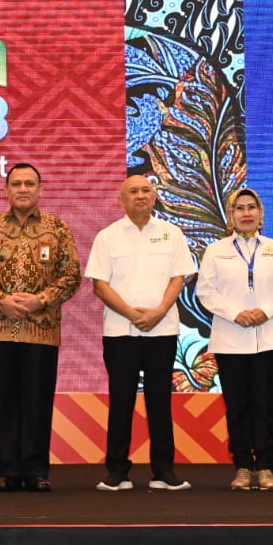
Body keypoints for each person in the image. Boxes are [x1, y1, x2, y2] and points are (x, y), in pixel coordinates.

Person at [0, 163, 81, 493]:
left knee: (37, 400)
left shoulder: (57, 229)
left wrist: (40, 300)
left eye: (29, 183)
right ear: (6, 190)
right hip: (0, 328)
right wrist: (0, 300)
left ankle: (35, 471)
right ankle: (8, 471)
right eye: (16, 184)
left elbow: (71, 276)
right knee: (5, 399)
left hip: (42, 330)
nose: (23, 189)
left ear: (40, 189)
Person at [86, 175, 196, 492]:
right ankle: (117, 472)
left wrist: (159, 311)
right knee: (121, 401)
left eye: (146, 190)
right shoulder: (107, 236)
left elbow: (179, 278)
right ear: (121, 199)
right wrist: (131, 313)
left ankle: (164, 471)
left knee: (160, 400)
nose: (140, 195)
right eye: (133, 191)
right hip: (120, 331)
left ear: (155, 196)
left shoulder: (171, 233)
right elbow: (99, 284)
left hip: (162, 329)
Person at [197, 187, 273, 491]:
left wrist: (265, 311)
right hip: (230, 338)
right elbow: (206, 291)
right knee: (237, 405)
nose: (246, 213)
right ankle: (243, 466)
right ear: (231, 215)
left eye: (251, 207)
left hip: (269, 337)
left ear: (261, 213)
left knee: (265, 404)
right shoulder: (215, 251)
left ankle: (265, 467)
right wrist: (235, 313)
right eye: (239, 208)